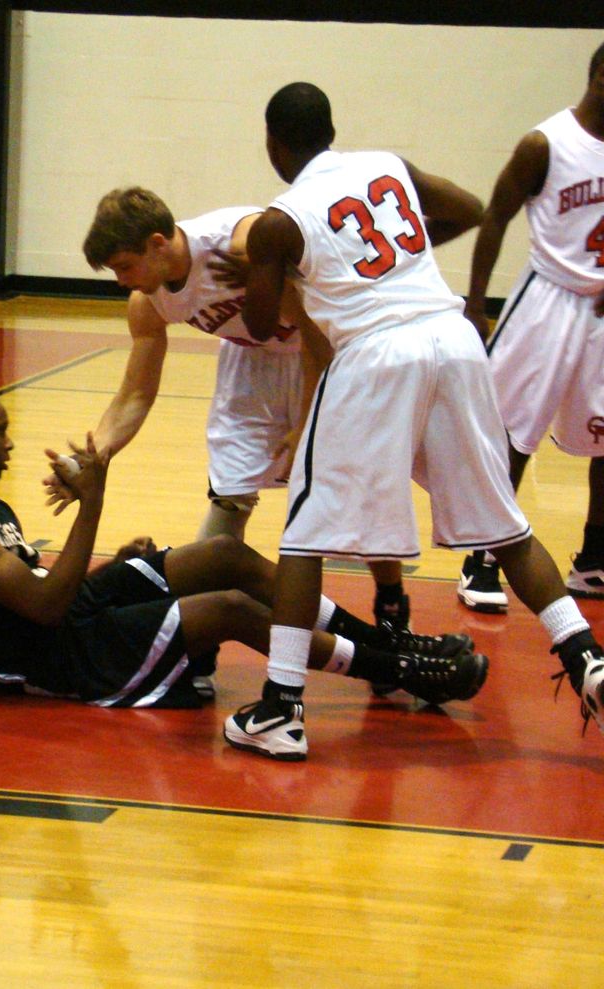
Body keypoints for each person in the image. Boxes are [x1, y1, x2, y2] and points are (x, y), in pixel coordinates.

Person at [215, 82, 604, 761]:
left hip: (376, 356)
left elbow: (256, 320)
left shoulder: (280, 219)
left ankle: (280, 706)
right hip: (450, 339)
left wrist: (268, 272)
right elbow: (468, 208)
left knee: (304, 537)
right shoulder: (386, 165)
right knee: (506, 526)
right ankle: (587, 658)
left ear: (274, 144)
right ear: (331, 128)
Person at [0, 376, 485, 736]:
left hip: (65, 612)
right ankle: (402, 671)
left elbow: (38, 586)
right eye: (1, 430)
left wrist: (114, 565)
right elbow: (43, 609)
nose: (10, 442)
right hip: (51, 656)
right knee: (230, 608)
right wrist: (93, 503)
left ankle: (383, 638)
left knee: (223, 552)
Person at [75, 190, 418, 696]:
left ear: (156, 244)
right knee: (229, 496)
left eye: (125, 266)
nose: (122, 280)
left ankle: (391, 607)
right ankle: (199, 640)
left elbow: (310, 324)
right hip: (250, 364)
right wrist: (97, 452)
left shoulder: (236, 242)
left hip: (321, 350)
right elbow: (135, 392)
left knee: (356, 489)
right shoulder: (147, 303)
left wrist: (307, 417)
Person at [457, 40, 604, 613]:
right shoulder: (546, 143)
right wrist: (474, 305)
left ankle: (594, 559)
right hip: (547, 301)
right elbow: (495, 216)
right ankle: (483, 559)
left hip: (599, 309)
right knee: (513, 434)